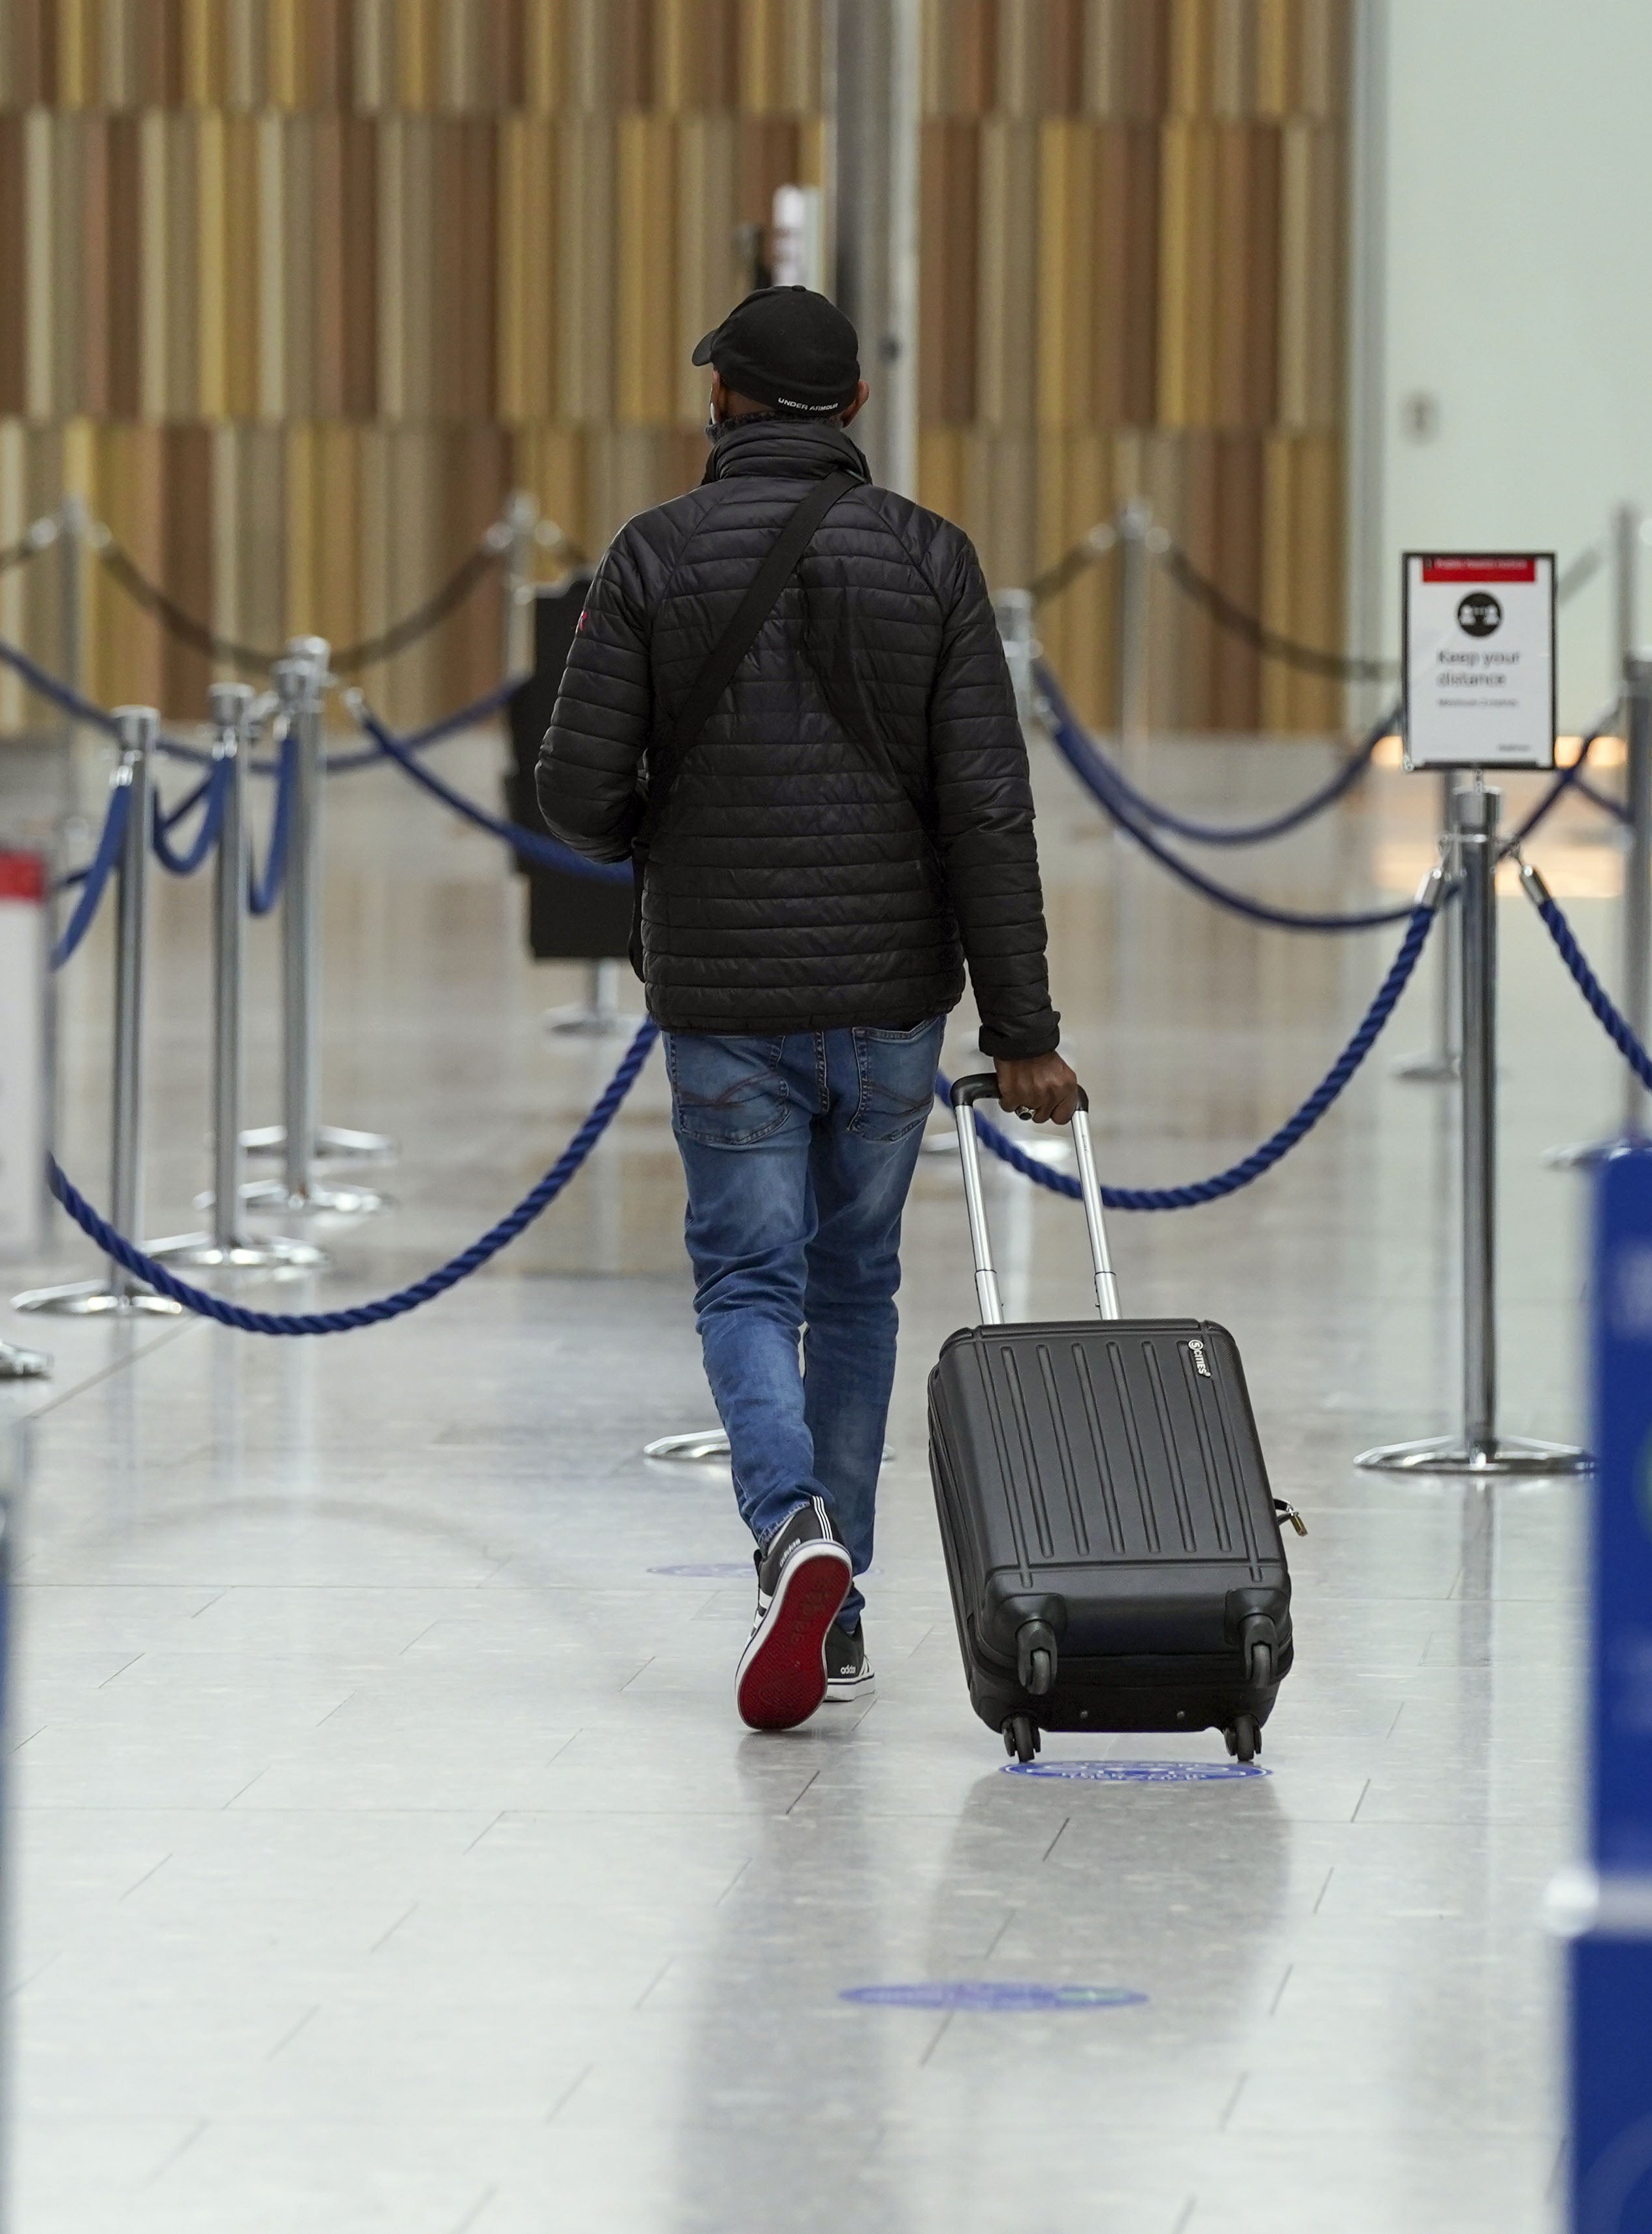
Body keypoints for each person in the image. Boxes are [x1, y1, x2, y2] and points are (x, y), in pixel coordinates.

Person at [534, 285, 1080, 1734]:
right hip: (894, 999)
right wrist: (1021, 1030)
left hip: (726, 994)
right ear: (847, 410)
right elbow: (987, 811)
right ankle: (838, 1612)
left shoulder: (653, 557)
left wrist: (670, 825)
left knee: (743, 1285)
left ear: (722, 400)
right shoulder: (932, 561)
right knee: (856, 1291)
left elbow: (574, 797)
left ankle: (792, 1536)